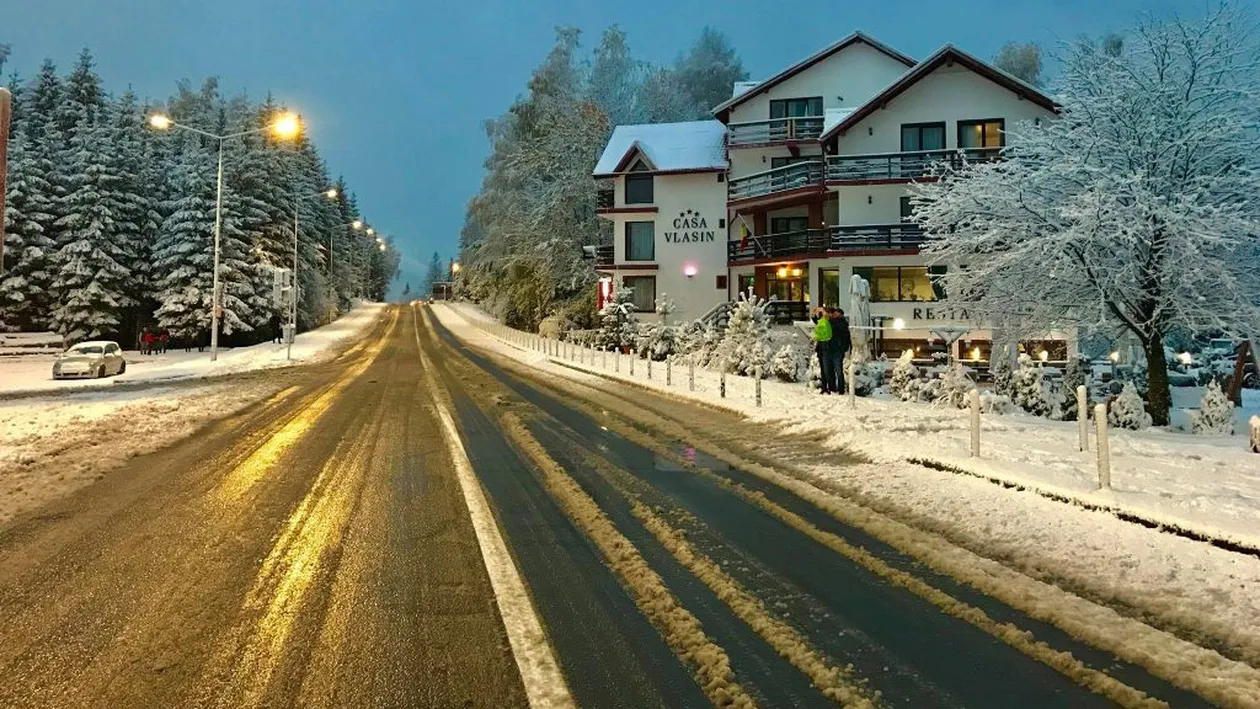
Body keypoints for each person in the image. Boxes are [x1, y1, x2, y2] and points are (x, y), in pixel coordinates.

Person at [828, 307, 852, 394]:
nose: (834, 314)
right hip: (831, 349)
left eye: (836, 313)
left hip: (838, 350)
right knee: (830, 370)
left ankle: (841, 389)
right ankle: (832, 388)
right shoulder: (831, 321)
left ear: (841, 314)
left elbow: (845, 336)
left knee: (838, 370)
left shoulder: (842, 323)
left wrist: (844, 347)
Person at [812, 307, 835, 393]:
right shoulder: (822, 322)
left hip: (827, 348)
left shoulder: (831, 322)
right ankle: (824, 387)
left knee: (827, 369)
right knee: (823, 368)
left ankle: (831, 387)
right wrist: (814, 313)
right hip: (821, 348)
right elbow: (816, 321)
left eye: (825, 312)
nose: (824, 314)